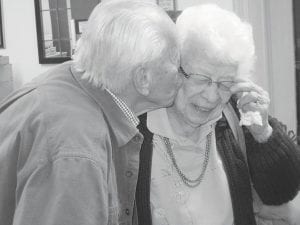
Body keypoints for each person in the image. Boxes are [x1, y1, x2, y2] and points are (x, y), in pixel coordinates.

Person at [0, 1, 182, 224]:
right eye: (175, 60)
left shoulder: (70, 83)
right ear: (143, 78)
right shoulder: (76, 152)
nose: (181, 74)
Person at [135, 4, 300, 225]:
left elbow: (282, 192)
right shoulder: (135, 129)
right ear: (174, 68)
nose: (212, 97)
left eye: (225, 83)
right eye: (201, 79)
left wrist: (263, 134)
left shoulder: (237, 117)